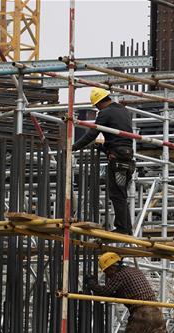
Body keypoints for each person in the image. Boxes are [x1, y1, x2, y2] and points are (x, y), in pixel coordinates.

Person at [72, 88, 136, 235]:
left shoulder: (105, 113)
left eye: (96, 106)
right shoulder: (124, 111)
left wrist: (74, 147)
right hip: (127, 157)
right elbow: (119, 138)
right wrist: (103, 147)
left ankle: (122, 228)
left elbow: (92, 133)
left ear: (99, 103)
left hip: (118, 160)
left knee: (116, 195)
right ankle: (127, 229)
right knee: (121, 194)